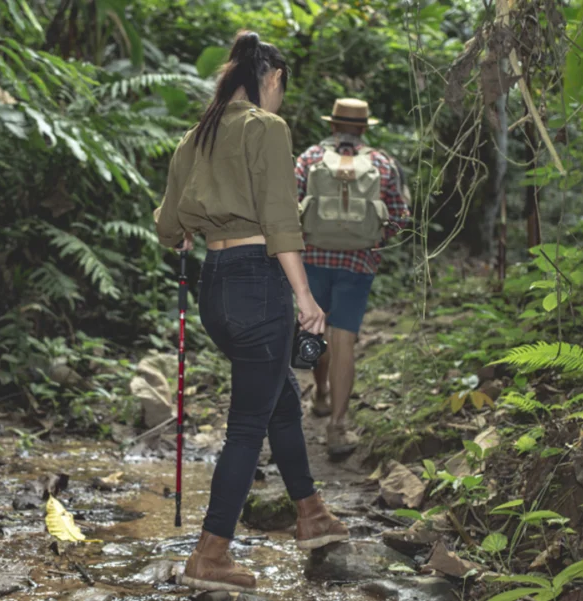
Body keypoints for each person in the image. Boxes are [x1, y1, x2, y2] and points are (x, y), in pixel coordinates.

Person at [153, 31, 350, 593]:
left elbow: (167, 227)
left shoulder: (196, 135)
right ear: (273, 78)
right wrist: (305, 298)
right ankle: (210, 553)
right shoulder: (266, 127)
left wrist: (191, 227)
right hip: (259, 285)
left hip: (214, 288)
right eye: (281, 89)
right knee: (246, 426)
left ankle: (311, 513)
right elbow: (281, 220)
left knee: (279, 400)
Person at [295, 98, 411, 458]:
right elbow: (399, 216)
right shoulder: (382, 163)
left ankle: (321, 394)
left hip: (312, 259)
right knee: (343, 340)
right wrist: (374, 239)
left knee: (316, 330)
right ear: (363, 128)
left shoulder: (310, 158)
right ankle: (337, 427)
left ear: (332, 125)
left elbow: (289, 207)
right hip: (358, 263)